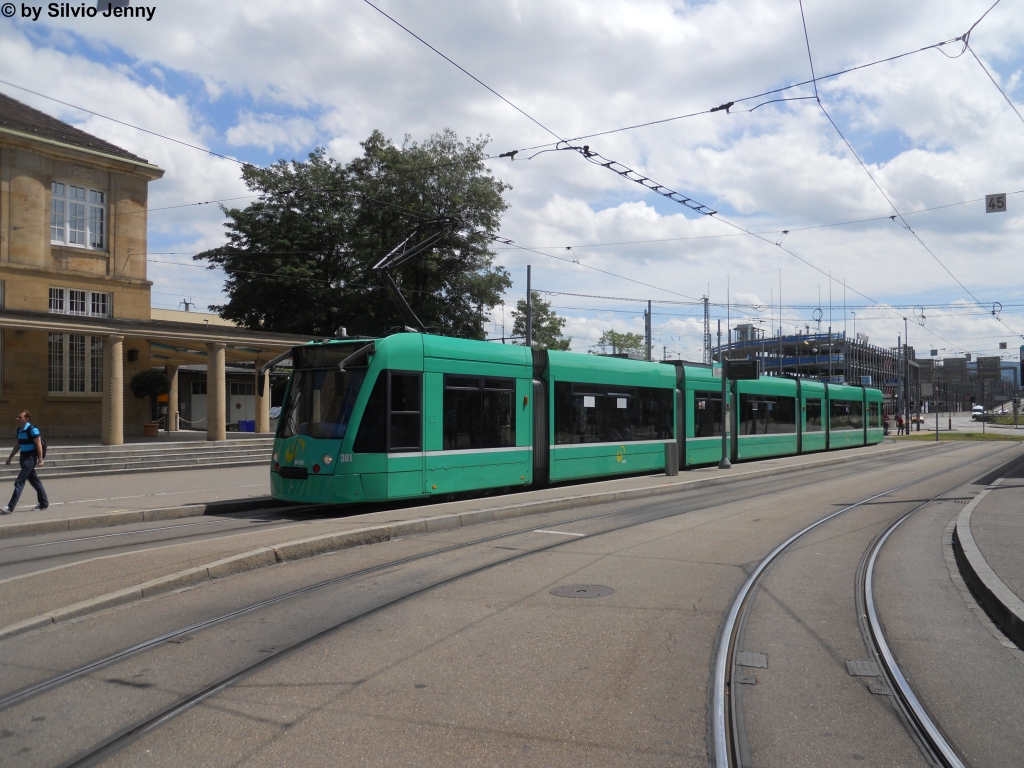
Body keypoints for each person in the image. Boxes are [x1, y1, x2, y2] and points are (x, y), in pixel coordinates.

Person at [2, 410, 49, 514]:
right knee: (35, 481)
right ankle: (44, 503)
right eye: (17, 417)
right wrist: (10, 457)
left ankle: (10, 507)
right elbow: (18, 445)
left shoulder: (32, 430)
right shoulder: (19, 430)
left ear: (27, 418)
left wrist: (41, 459)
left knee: (19, 482)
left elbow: (39, 445)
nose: (17, 419)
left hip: (30, 459)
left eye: (20, 417)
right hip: (23, 458)